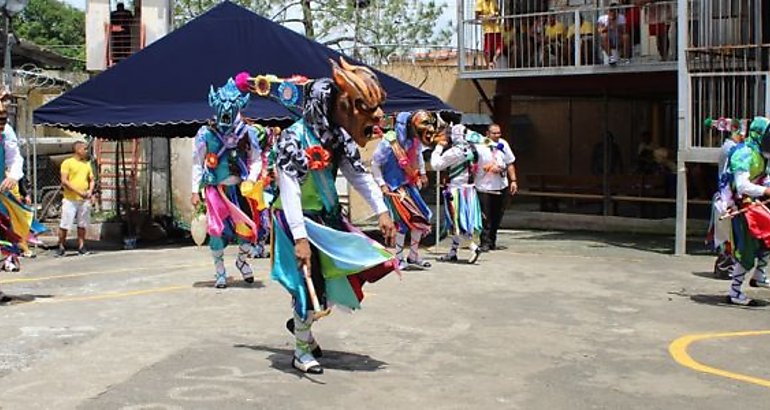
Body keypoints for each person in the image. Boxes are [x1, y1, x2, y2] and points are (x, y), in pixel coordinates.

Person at [239, 58, 397, 374]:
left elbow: (359, 175)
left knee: (329, 288)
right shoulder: (294, 138)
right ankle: (301, 351)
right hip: (294, 223)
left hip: (327, 221)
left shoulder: (338, 137)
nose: (375, 118)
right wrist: (300, 238)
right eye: (361, 107)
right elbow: (291, 190)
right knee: (304, 286)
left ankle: (303, 331)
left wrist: (382, 211)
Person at [191, 77, 264, 288]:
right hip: (215, 190)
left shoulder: (247, 133)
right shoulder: (205, 134)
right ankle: (220, 271)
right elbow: (197, 163)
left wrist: (250, 179)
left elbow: (257, 160)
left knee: (248, 232)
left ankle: (242, 261)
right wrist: (195, 190)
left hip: (240, 190)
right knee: (216, 231)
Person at [371, 111, 433, 271]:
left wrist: (423, 174)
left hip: (409, 185)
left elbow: (418, 157)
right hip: (394, 187)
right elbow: (375, 164)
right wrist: (382, 184)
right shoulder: (388, 142)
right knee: (403, 222)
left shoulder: (414, 142)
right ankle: (398, 258)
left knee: (422, 218)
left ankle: (413, 255)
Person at [723, 117, 770, 306]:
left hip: (757, 205)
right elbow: (742, 186)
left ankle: (760, 274)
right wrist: (766, 191)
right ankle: (735, 292)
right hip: (741, 207)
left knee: (767, 240)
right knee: (746, 249)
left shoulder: (761, 154)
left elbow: (765, 179)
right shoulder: (743, 153)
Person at [431, 124, 483, 264]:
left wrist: (439, 147)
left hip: (456, 191)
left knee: (456, 221)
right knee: (461, 221)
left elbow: (436, 165)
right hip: (469, 191)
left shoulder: (454, 152)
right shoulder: (473, 150)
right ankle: (453, 252)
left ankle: (473, 247)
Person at [475, 123, 517, 252]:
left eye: (499, 133)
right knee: (485, 216)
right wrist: (486, 168)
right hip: (484, 187)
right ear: (487, 133)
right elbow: (472, 164)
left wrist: (513, 180)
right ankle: (484, 242)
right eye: (494, 133)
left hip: (501, 184)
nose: (497, 136)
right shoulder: (479, 146)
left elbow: (510, 162)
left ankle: (492, 240)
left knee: (497, 215)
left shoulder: (503, 144)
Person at [56, 141, 94, 257]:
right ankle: (61, 246)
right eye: (84, 149)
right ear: (78, 150)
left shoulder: (86, 164)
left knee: (82, 224)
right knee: (65, 223)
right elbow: (64, 181)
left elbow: (91, 179)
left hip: (83, 200)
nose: (86, 151)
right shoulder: (67, 163)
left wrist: (90, 191)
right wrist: (78, 192)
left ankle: (81, 246)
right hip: (70, 199)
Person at [476, 0, 502, 68]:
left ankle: (494, 59)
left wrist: (496, 16)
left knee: (500, 47)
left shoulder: (493, 1)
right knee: (487, 50)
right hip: (488, 30)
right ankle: (488, 66)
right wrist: (488, 17)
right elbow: (477, 17)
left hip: (497, 29)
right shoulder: (480, 2)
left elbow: (498, 12)